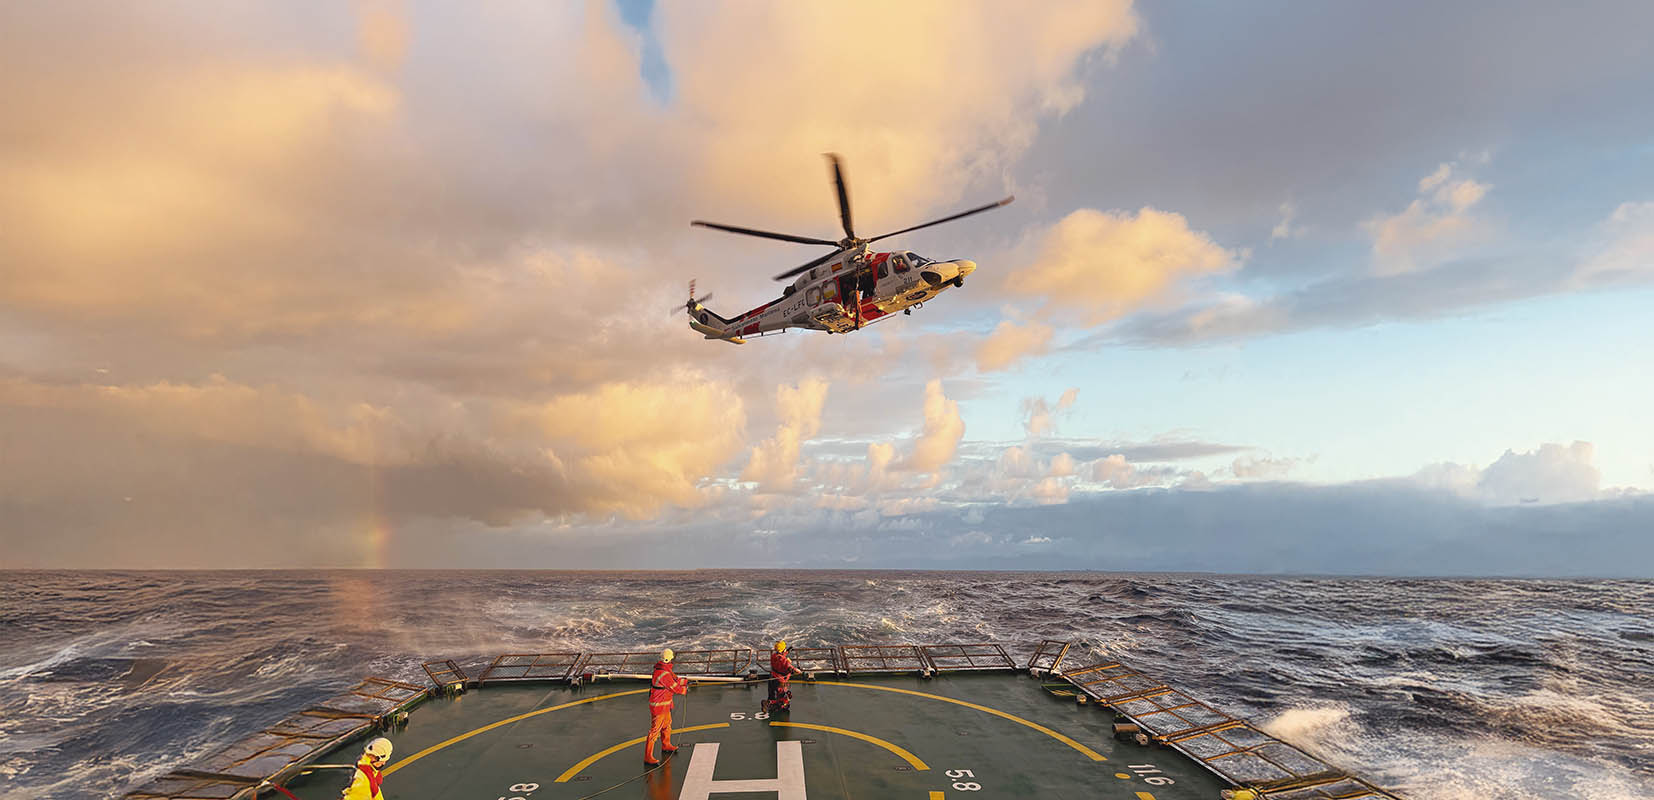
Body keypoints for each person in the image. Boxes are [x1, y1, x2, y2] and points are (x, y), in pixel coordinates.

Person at [644, 648, 688, 766]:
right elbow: (674, 687)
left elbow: (675, 679)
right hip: (659, 706)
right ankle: (648, 756)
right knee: (655, 731)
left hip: (665, 704)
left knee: (667, 725)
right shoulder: (663, 673)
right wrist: (684, 689)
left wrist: (685, 681)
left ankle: (666, 744)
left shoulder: (664, 670)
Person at [763, 640, 803, 713]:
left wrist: (787, 651)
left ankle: (771, 705)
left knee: (772, 693)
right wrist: (798, 671)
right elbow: (790, 668)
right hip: (780, 680)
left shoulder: (774, 656)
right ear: (783, 649)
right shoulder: (784, 661)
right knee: (781, 696)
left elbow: (780, 657)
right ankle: (767, 703)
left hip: (772, 677)